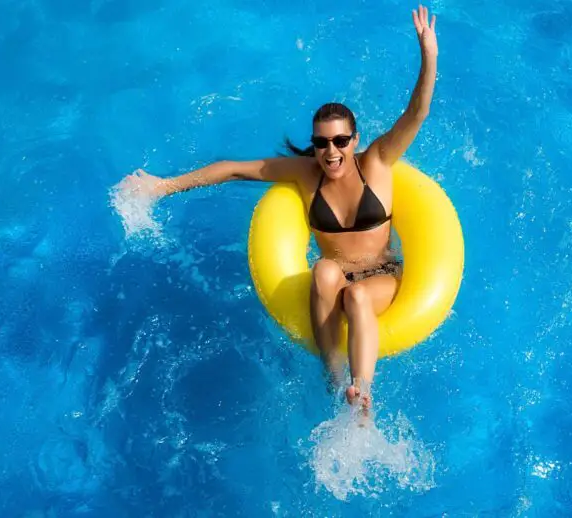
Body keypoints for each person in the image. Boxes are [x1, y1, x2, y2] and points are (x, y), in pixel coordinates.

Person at [117, 5, 438, 413]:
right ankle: (333, 378)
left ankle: (363, 395)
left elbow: (417, 113)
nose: (331, 151)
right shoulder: (305, 174)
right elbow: (235, 169)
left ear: (354, 139)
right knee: (323, 270)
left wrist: (428, 55)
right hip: (334, 278)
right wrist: (163, 186)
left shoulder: (377, 162)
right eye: (322, 143)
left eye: (340, 141)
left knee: (357, 297)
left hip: (379, 277)